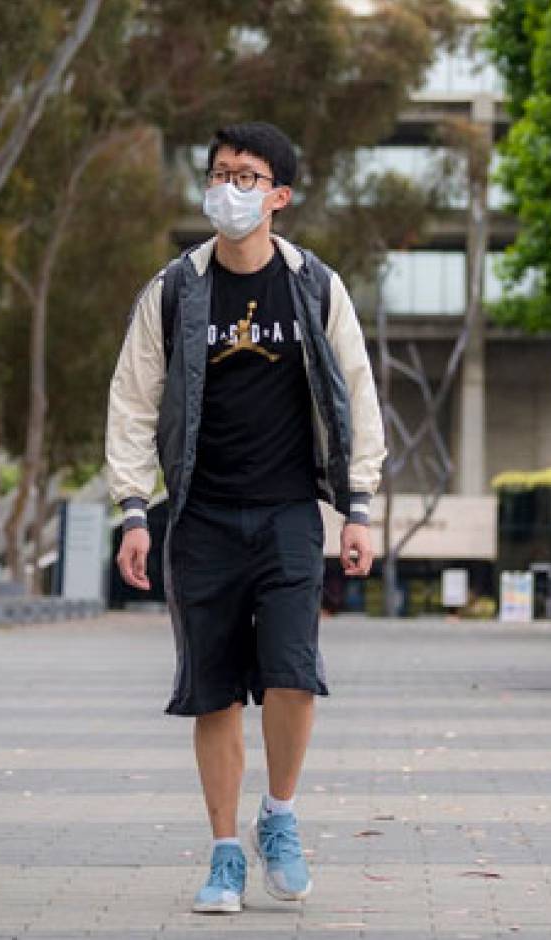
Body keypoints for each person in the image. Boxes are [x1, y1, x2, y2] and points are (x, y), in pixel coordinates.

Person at [105, 122, 387, 913]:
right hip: (200, 518)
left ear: (279, 197)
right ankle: (225, 852)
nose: (230, 188)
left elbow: (356, 395)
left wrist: (358, 508)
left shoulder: (315, 287)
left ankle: (281, 816)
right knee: (215, 690)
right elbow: (132, 404)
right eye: (221, 173)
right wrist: (134, 510)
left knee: (293, 673)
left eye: (247, 175)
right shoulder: (174, 290)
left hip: (292, 513)